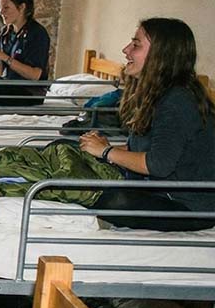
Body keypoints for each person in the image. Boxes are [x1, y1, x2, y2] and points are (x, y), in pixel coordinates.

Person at [79, 17, 215, 231]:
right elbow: (150, 148)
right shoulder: (156, 94)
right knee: (74, 161)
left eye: (136, 45)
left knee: (111, 200)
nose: (126, 50)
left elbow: (158, 164)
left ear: (162, 54)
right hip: (160, 191)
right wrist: (104, 149)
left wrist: (106, 152)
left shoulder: (178, 100)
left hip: (189, 206)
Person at [0, 0, 50, 102]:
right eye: (0, 7)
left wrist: (5, 58)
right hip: (10, 87)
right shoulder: (6, 32)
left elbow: (35, 75)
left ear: (22, 7)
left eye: (6, 8)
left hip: (29, 93)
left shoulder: (38, 34)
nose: (0, 12)